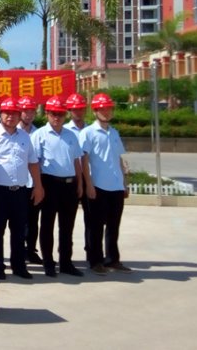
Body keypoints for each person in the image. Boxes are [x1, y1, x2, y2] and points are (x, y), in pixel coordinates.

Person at [0, 97, 44, 280]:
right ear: (1, 114)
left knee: (19, 230)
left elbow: (33, 163)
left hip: (20, 191)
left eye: (14, 113)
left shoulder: (25, 137)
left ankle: (19, 265)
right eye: (7, 113)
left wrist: (38, 186)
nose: (11, 117)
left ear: (19, 115)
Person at [30, 96, 84, 277]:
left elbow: (76, 161)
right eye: (53, 113)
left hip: (69, 185)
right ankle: (48, 262)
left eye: (60, 114)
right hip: (49, 183)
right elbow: (34, 163)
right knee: (47, 225)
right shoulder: (39, 135)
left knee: (67, 226)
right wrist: (38, 186)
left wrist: (80, 183)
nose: (57, 117)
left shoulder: (71, 135)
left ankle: (66, 262)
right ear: (47, 114)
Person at [79, 93, 131, 275]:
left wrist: (124, 183)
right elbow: (83, 160)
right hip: (98, 186)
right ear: (95, 111)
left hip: (116, 186)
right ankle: (95, 261)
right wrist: (89, 184)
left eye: (108, 109)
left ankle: (113, 259)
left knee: (114, 226)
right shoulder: (88, 133)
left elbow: (119, 159)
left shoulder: (114, 132)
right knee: (96, 227)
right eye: (102, 109)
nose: (106, 112)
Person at [65, 92, 91, 259]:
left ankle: (92, 252)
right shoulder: (65, 131)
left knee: (92, 219)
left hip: (90, 179)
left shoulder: (91, 130)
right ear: (69, 111)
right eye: (75, 109)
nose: (78, 112)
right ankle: (66, 254)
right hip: (71, 179)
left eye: (81, 109)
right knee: (68, 220)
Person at [17, 95, 42, 265]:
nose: (28, 114)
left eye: (31, 111)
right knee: (19, 221)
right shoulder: (12, 131)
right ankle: (19, 251)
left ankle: (31, 250)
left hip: (34, 183)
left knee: (33, 220)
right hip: (17, 184)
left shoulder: (39, 133)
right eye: (25, 111)